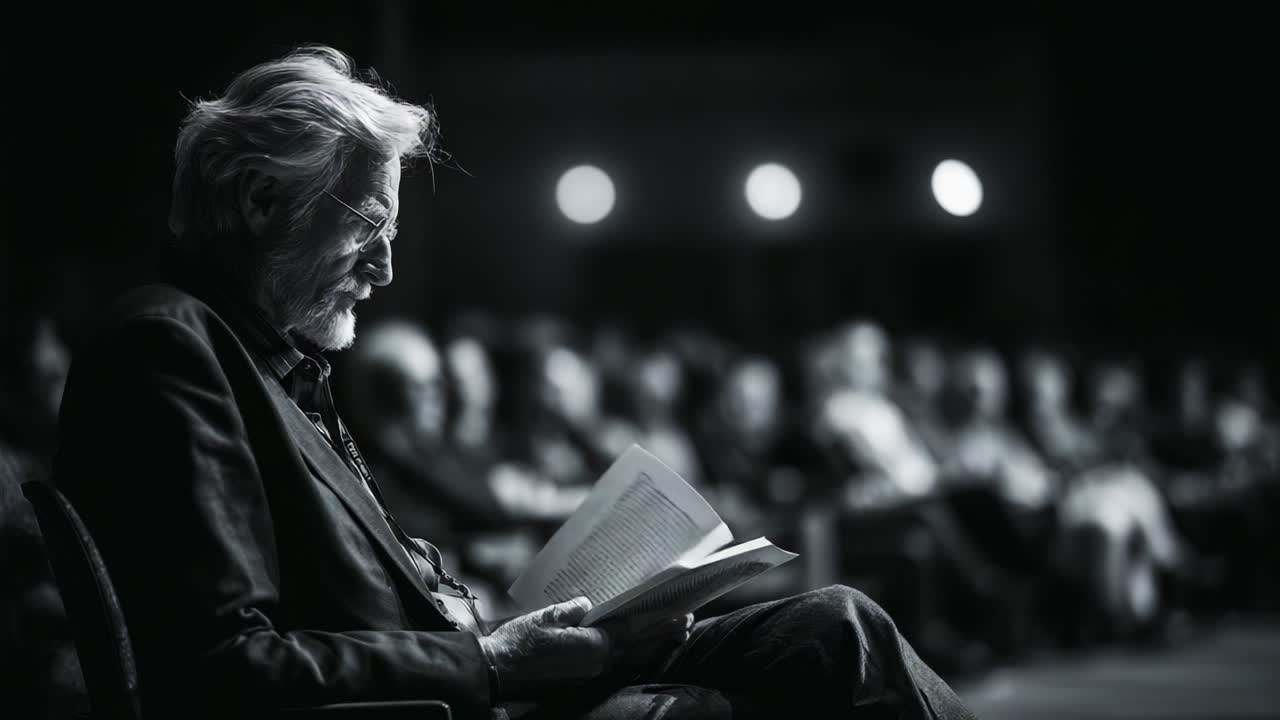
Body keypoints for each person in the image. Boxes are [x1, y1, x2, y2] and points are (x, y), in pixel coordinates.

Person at [52, 46, 975, 719]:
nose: (381, 271)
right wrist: (492, 660)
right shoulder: (168, 349)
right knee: (819, 651)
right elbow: (223, 669)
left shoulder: (263, 355)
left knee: (832, 628)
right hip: (449, 708)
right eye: (367, 228)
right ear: (261, 204)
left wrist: (527, 629)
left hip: (474, 679)